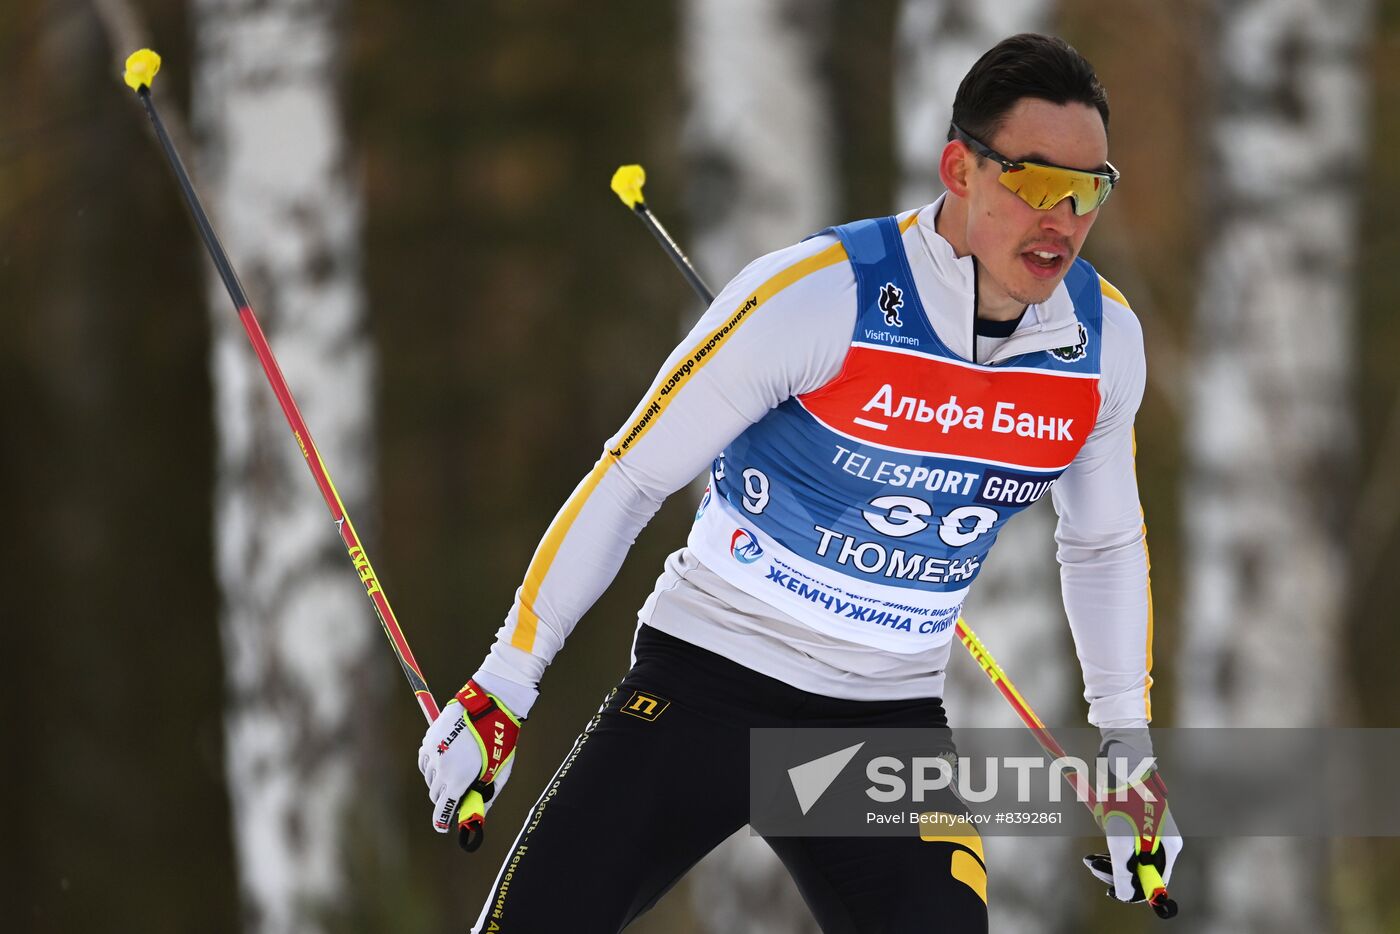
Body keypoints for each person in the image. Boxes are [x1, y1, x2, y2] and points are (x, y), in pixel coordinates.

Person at [418, 32, 1181, 933]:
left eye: (1089, 190)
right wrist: (505, 682)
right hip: (709, 681)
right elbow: (631, 477)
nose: (1062, 218)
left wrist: (1127, 745)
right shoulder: (822, 297)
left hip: (881, 725)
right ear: (960, 170)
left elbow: (1101, 543)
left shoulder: (1101, 345)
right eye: (1036, 181)